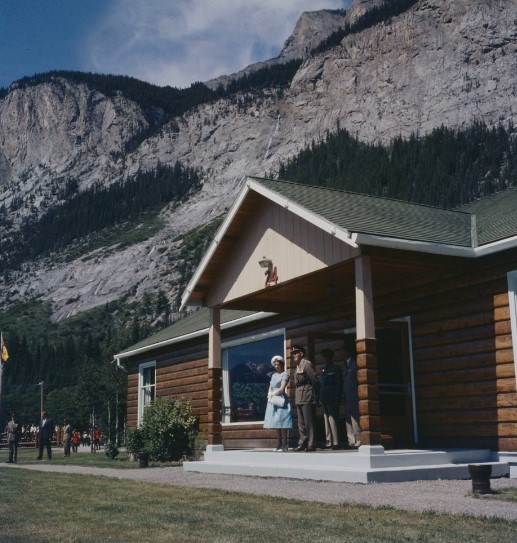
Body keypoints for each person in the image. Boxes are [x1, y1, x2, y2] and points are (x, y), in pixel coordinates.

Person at [291, 345, 319, 452]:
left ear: (301, 353)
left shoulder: (307, 364)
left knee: (309, 422)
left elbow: (314, 380)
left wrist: (315, 395)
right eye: (293, 353)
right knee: (301, 423)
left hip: (307, 395)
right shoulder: (298, 367)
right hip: (299, 396)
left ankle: (312, 444)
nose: (294, 355)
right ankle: (302, 443)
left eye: (296, 352)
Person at [263, 355, 293, 451]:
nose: (276, 366)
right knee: (276, 423)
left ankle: (285, 444)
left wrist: (275, 393)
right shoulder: (274, 375)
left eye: (278, 364)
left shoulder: (284, 374)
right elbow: (271, 386)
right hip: (273, 399)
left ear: (282, 364)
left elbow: (282, 388)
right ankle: (279, 443)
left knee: (282, 422)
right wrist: (269, 394)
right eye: (275, 364)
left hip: (280, 399)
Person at [319, 349, 342, 450]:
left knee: (333, 419)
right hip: (324, 397)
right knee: (326, 420)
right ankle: (329, 442)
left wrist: (337, 397)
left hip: (332, 397)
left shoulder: (335, 368)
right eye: (324, 357)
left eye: (327, 356)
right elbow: (321, 385)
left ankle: (336, 442)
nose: (325, 359)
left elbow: (338, 384)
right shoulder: (324, 370)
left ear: (331, 357)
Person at [343, 345, 361, 448]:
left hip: (354, 395)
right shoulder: (345, 364)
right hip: (346, 396)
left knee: (355, 418)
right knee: (348, 419)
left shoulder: (354, 364)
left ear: (346, 352)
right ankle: (351, 441)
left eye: (342, 351)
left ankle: (358, 439)